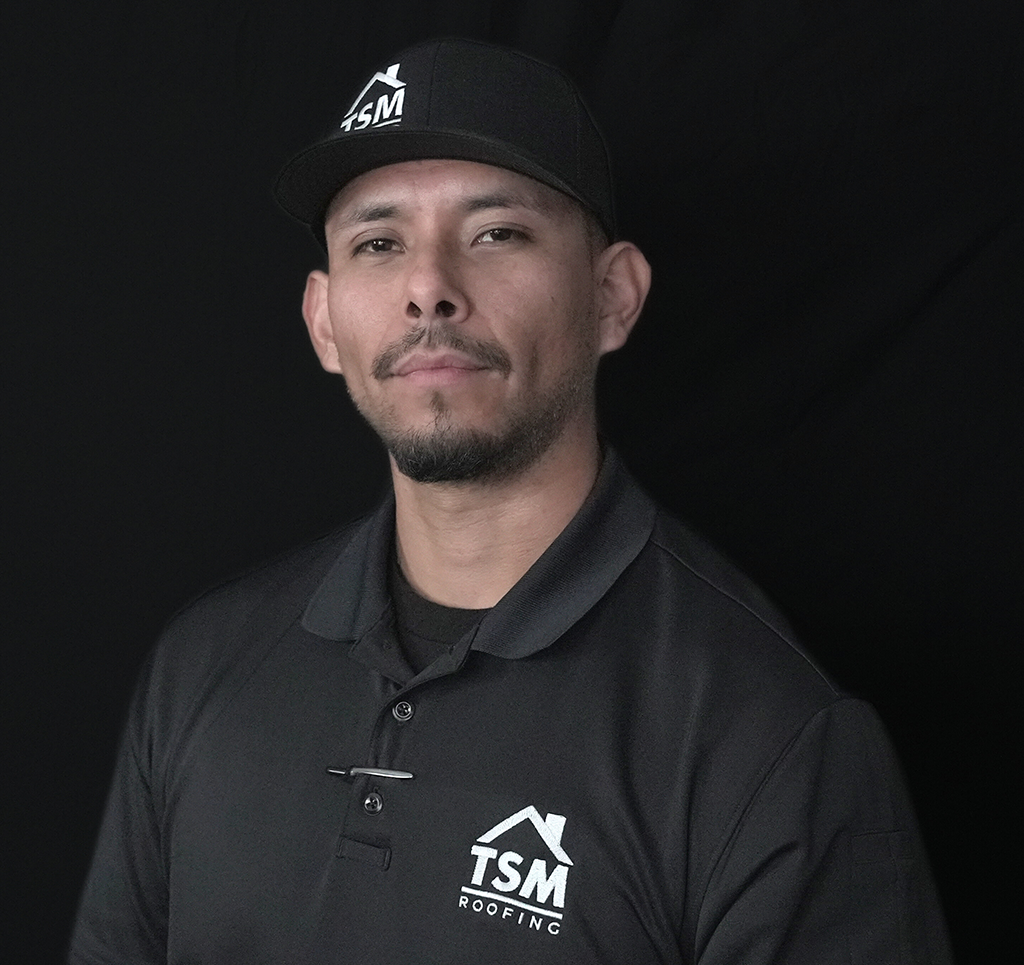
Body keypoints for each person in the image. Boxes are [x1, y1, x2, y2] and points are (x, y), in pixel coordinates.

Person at [69, 37, 952, 964]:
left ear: (613, 297)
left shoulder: (769, 735)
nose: (429, 290)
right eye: (380, 242)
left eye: (497, 233)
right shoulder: (200, 669)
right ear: (324, 321)